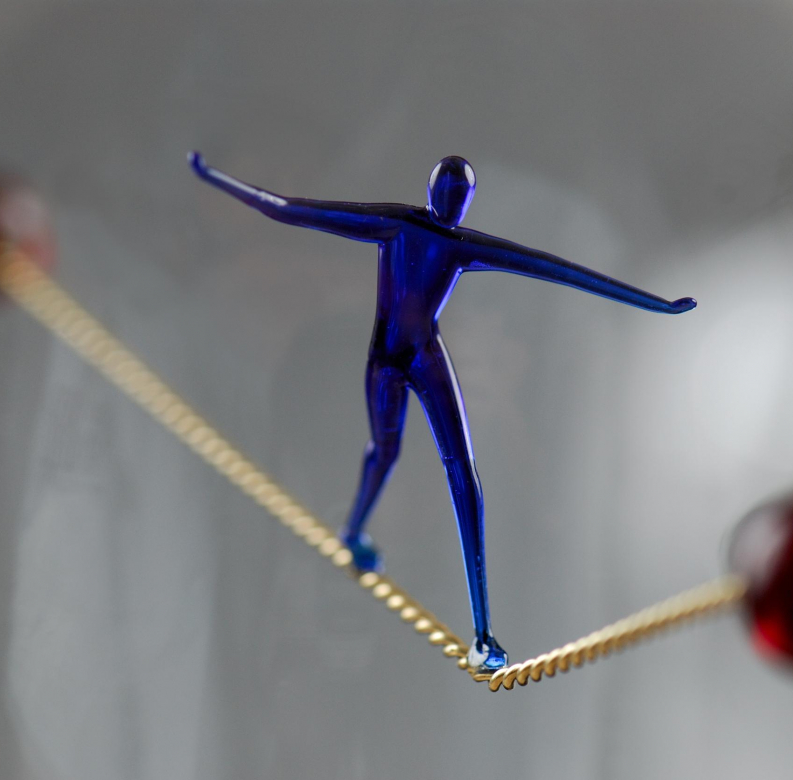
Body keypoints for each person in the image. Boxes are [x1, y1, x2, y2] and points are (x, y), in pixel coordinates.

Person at [190, 152, 695, 674]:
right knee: (384, 451)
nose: (452, 203)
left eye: (460, 197)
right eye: (447, 193)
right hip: (388, 357)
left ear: (466, 202)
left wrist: (659, 305)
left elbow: (563, 272)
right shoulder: (395, 224)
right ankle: (355, 532)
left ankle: (482, 631)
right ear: (433, 192)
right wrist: (215, 179)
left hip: (423, 355)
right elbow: (286, 209)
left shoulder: (463, 245)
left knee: (463, 476)